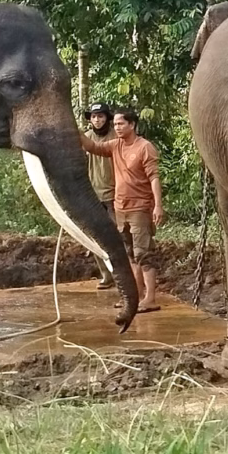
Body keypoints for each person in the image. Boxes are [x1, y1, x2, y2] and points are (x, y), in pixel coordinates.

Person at [79, 108, 165, 312]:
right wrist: (74, 129)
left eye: (120, 124)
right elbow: (92, 147)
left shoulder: (145, 147)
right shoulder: (115, 145)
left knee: (143, 254)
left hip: (140, 208)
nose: (116, 127)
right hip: (120, 209)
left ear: (132, 125)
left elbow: (154, 178)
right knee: (130, 255)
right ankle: (135, 297)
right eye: (115, 124)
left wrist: (158, 206)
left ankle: (150, 298)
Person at [83, 103, 117, 290]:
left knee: (120, 236)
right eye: (94, 117)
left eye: (101, 116)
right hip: (93, 194)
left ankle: (124, 276)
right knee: (96, 238)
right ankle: (106, 275)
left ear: (107, 118)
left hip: (114, 193)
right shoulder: (86, 138)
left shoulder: (116, 137)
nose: (97, 120)